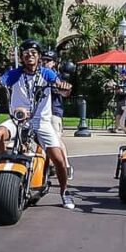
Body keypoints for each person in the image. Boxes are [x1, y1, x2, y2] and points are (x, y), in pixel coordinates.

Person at [0, 39, 75, 210]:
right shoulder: (14, 74)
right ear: (22, 57)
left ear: (39, 57)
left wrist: (64, 87)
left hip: (41, 122)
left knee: (59, 159)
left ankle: (64, 191)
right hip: (18, 119)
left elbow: (63, 90)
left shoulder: (47, 74)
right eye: (26, 53)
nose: (29, 56)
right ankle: (2, 168)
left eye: (33, 53)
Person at [41, 49, 73, 180]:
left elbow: (62, 90)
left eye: (48, 61)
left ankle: (66, 166)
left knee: (55, 139)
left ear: (54, 63)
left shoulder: (56, 77)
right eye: (43, 60)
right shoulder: (38, 74)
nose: (44, 63)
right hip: (38, 112)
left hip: (54, 111)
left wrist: (61, 87)